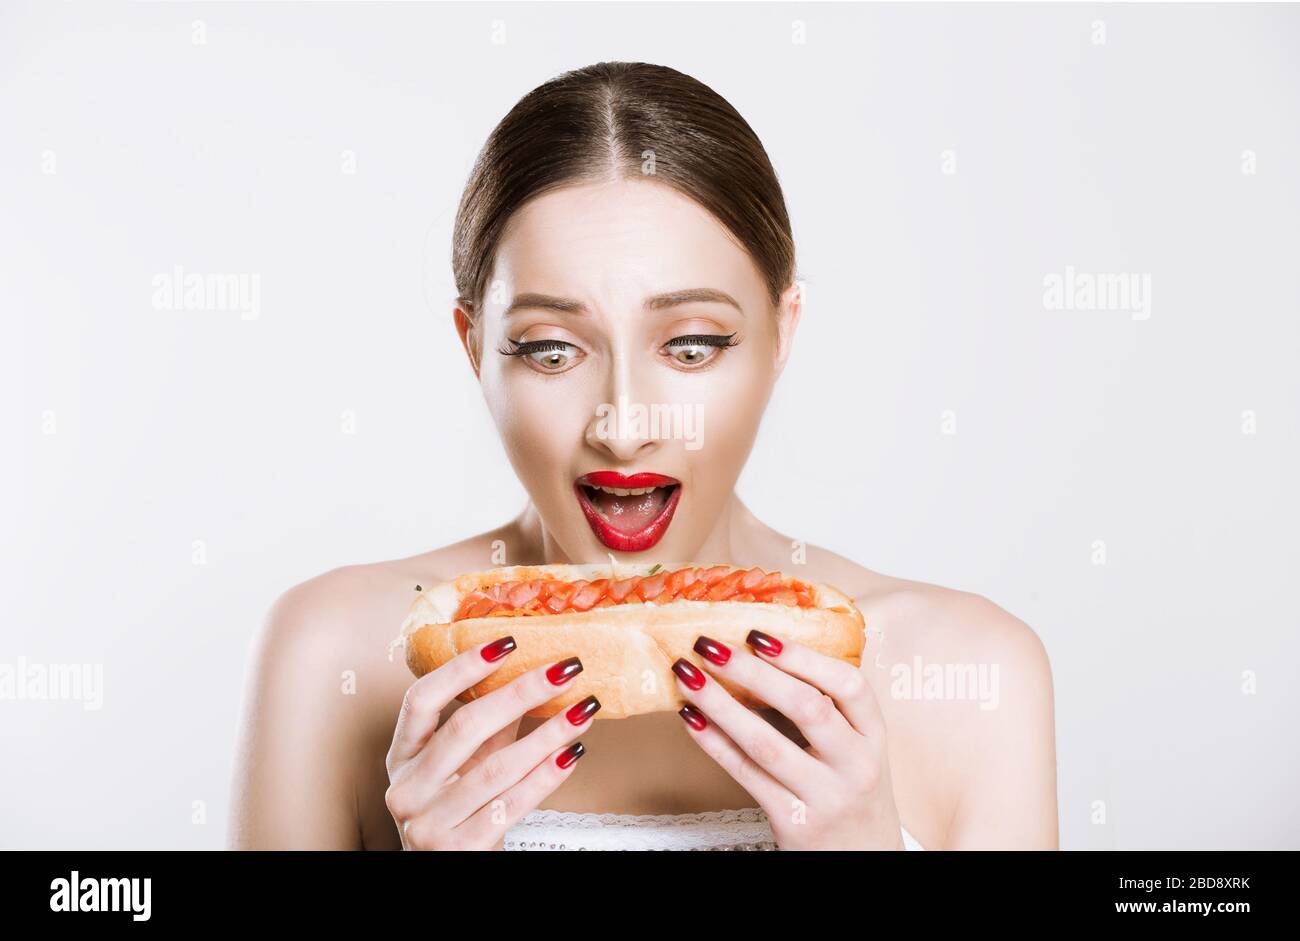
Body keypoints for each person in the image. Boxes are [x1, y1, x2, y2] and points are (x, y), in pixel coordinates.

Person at [228, 61, 1058, 851]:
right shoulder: (331, 657)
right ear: (473, 346)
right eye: (552, 350)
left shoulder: (972, 676)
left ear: (782, 335)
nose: (623, 426)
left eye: (692, 345)